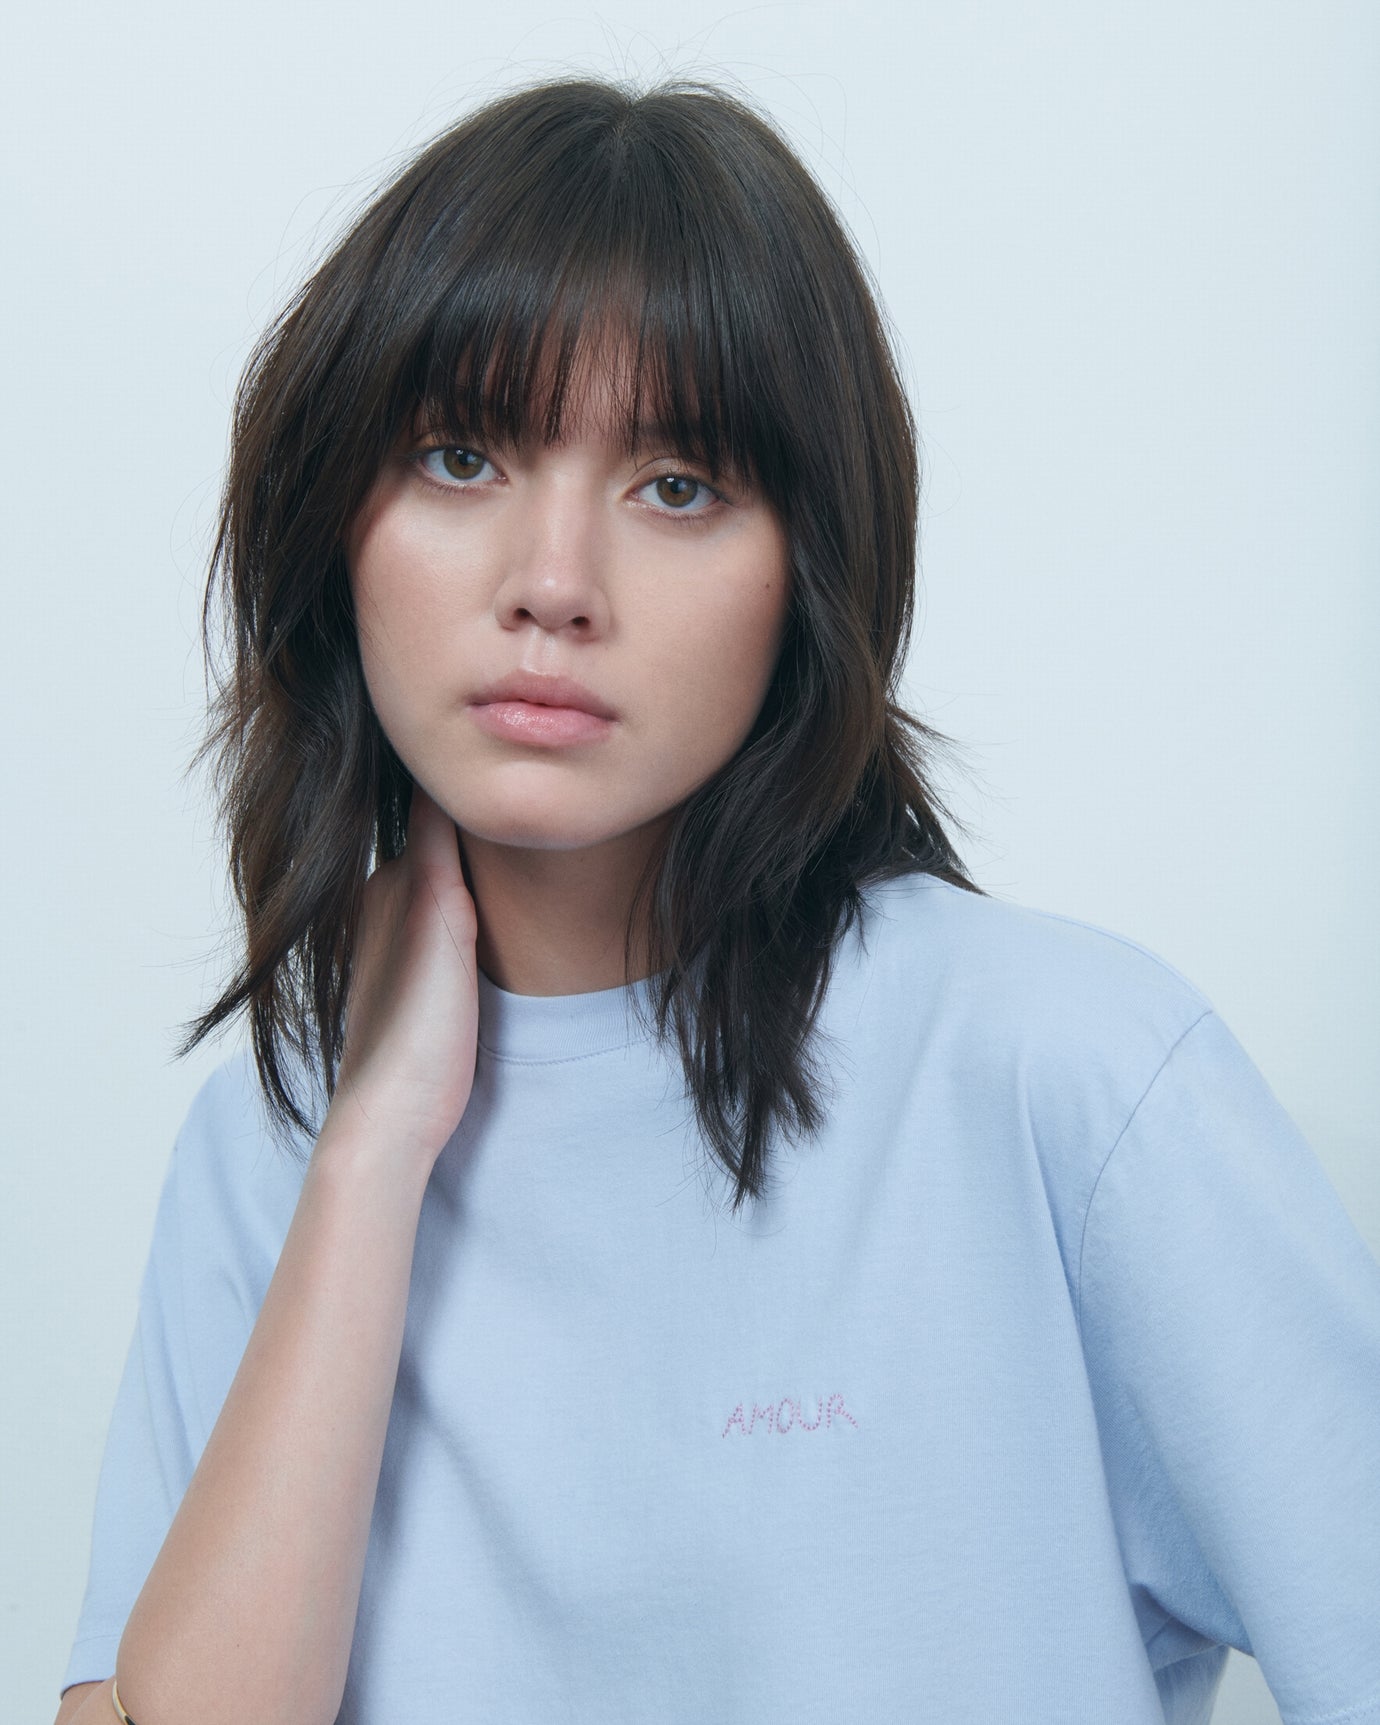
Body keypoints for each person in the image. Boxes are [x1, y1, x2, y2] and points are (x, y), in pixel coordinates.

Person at [54, 74, 1380, 1725]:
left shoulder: (1067, 1074)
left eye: (678, 484)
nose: (552, 583)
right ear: (336, 524)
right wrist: (374, 1152)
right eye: (461, 456)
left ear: (808, 566)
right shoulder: (274, 1140)